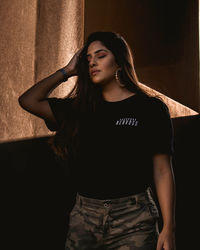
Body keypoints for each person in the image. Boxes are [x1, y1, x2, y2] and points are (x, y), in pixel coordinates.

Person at [18, 31, 176, 250]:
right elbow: (28, 100)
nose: (93, 62)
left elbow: (162, 170)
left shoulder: (150, 109)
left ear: (119, 61)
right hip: (84, 218)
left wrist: (169, 227)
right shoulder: (78, 109)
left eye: (100, 55)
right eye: (89, 58)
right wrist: (67, 70)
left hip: (134, 218)